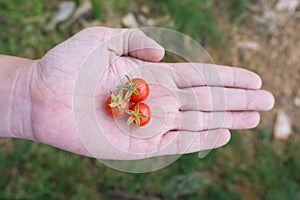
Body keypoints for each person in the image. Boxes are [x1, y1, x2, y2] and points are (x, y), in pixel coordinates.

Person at [0, 27, 274, 160]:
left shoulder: (125, 102)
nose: (126, 101)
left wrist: (26, 92)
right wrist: (29, 91)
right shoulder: (127, 101)